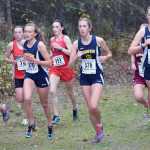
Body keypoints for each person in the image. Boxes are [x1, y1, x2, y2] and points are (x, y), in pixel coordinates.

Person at [68, 17, 112, 143]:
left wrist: (105, 58)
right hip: (84, 78)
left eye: (84, 26)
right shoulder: (76, 44)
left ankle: (99, 125)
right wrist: (76, 56)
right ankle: (98, 133)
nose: (82, 28)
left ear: (89, 28)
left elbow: (109, 53)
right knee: (90, 108)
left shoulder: (98, 40)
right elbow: (69, 65)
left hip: (97, 75)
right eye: (80, 26)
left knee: (93, 106)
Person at [23, 22, 53, 139]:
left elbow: (50, 63)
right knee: (27, 98)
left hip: (41, 75)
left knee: (44, 104)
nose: (27, 33)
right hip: (29, 74)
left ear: (35, 34)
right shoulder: (24, 43)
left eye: (30, 31)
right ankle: (31, 124)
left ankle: (50, 124)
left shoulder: (40, 45)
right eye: (26, 31)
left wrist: (36, 61)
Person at [49, 19, 78, 124]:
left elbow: (72, 53)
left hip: (66, 68)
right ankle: (56, 116)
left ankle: (75, 108)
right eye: (53, 27)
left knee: (70, 92)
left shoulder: (65, 38)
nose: (54, 29)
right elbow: (52, 53)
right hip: (55, 68)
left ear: (62, 28)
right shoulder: (51, 39)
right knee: (52, 91)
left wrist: (60, 48)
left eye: (57, 27)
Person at [128, 7, 150, 112]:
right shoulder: (143, 33)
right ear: (147, 16)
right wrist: (144, 45)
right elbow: (130, 51)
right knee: (138, 96)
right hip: (142, 72)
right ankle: (147, 105)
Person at [4, 26, 27, 125]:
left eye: (19, 32)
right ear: (14, 34)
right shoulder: (11, 45)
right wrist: (14, 61)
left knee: (27, 97)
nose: (18, 34)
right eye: (16, 32)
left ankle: (26, 117)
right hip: (18, 75)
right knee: (19, 98)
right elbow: (5, 58)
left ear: (23, 33)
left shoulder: (28, 43)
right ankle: (9, 109)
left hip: (29, 75)